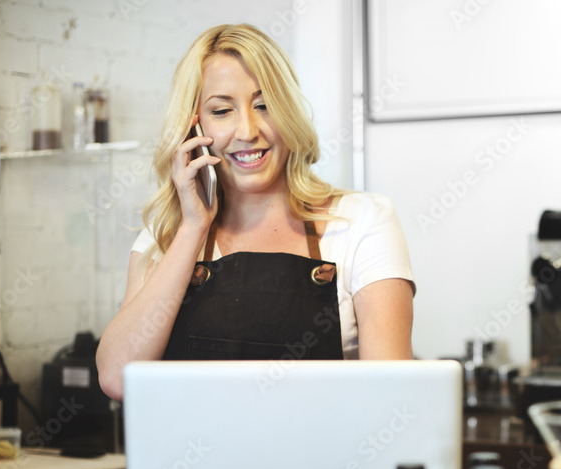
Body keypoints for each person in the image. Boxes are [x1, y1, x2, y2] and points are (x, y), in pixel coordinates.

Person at [96, 24, 415, 401]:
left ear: (289, 112)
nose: (247, 130)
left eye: (264, 105)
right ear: (192, 127)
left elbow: (392, 398)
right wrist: (193, 228)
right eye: (221, 110)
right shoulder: (166, 235)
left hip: (321, 459)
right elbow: (117, 378)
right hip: (193, 460)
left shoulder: (363, 221)